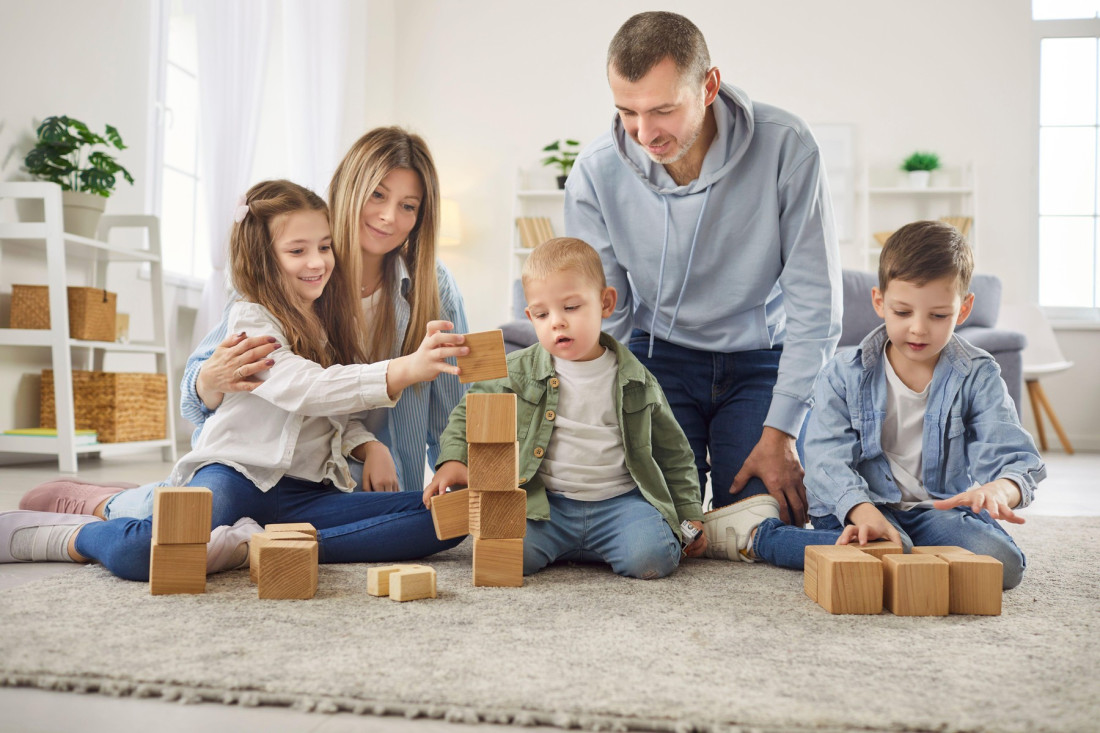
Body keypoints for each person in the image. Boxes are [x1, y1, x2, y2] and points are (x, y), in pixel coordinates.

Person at [1, 180, 468, 575]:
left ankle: (252, 545)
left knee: (446, 520)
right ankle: (80, 531)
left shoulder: (330, 320)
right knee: (146, 553)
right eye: (297, 250)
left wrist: (365, 443)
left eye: (324, 248)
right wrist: (405, 368)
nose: (317, 261)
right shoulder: (253, 319)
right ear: (265, 258)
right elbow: (302, 387)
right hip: (239, 476)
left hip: (310, 492)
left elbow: (329, 414)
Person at [564, 11, 842, 526]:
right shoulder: (596, 170)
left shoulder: (788, 147)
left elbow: (816, 303)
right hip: (658, 360)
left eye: (663, 110)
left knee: (764, 517)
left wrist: (782, 430)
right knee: (663, 524)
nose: (645, 132)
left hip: (760, 360)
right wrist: (609, 415)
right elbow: (605, 314)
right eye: (627, 111)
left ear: (709, 85)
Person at [700, 221, 1045, 588]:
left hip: (934, 510)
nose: (918, 329)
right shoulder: (843, 372)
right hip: (854, 504)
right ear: (879, 302)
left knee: (1005, 566)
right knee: (883, 548)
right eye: (902, 312)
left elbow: (1017, 458)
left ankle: (900, 550)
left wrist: (999, 489)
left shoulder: (977, 374)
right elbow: (825, 458)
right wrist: (861, 511)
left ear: (963, 310)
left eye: (938, 315)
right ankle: (758, 536)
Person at [424, 237, 706, 580]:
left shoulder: (637, 380)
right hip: (546, 505)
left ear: (606, 303)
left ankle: (607, 543)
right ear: (530, 317)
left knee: (653, 557)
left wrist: (690, 512)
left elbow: (674, 451)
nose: (556, 322)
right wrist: (453, 460)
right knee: (506, 554)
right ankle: (568, 546)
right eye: (542, 314)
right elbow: (469, 412)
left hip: (619, 504)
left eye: (571, 307)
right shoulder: (516, 371)